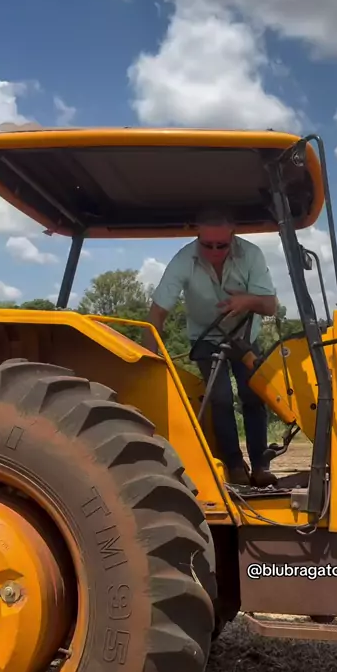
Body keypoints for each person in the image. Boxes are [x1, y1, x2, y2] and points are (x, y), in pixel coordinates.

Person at [145, 206, 278, 487]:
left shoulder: (252, 255)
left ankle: (260, 465)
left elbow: (270, 306)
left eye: (222, 245)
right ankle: (233, 465)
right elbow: (157, 312)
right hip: (205, 337)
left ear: (233, 235)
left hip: (245, 336)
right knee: (220, 398)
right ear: (197, 236)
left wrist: (246, 301)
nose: (215, 251)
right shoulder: (183, 260)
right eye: (207, 245)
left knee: (254, 395)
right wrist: (148, 358)